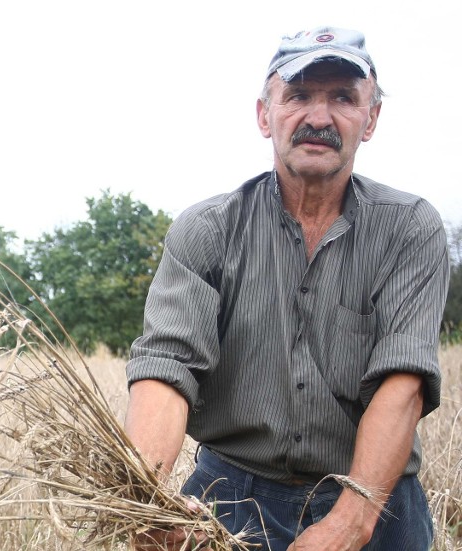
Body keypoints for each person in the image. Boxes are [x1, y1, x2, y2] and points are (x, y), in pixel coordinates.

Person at [124, 26, 449, 551]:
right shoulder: (206, 230)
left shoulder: (411, 229)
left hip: (374, 502)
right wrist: (145, 498)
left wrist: (350, 522)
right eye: (298, 96)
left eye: (343, 98)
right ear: (264, 114)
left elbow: (404, 382)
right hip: (231, 495)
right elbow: (168, 366)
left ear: (371, 120)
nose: (318, 118)